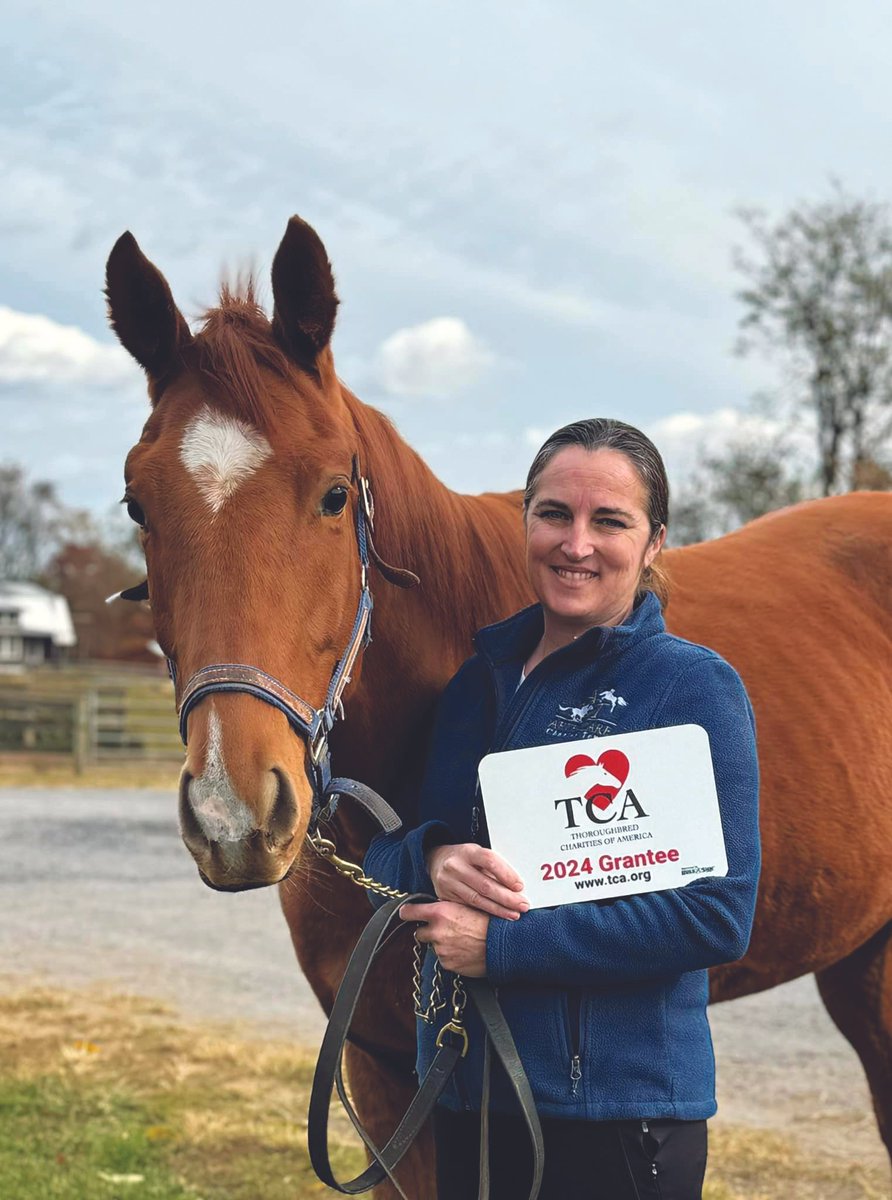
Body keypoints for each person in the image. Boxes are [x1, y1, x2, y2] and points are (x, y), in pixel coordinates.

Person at [363, 418, 761, 1200]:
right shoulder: (475, 685)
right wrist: (433, 859)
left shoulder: (690, 688)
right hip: (469, 1097)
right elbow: (388, 853)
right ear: (527, 524)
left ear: (653, 543)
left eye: (609, 521)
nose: (576, 544)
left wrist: (503, 948)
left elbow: (716, 916)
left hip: (618, 1116)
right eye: (554, 514)